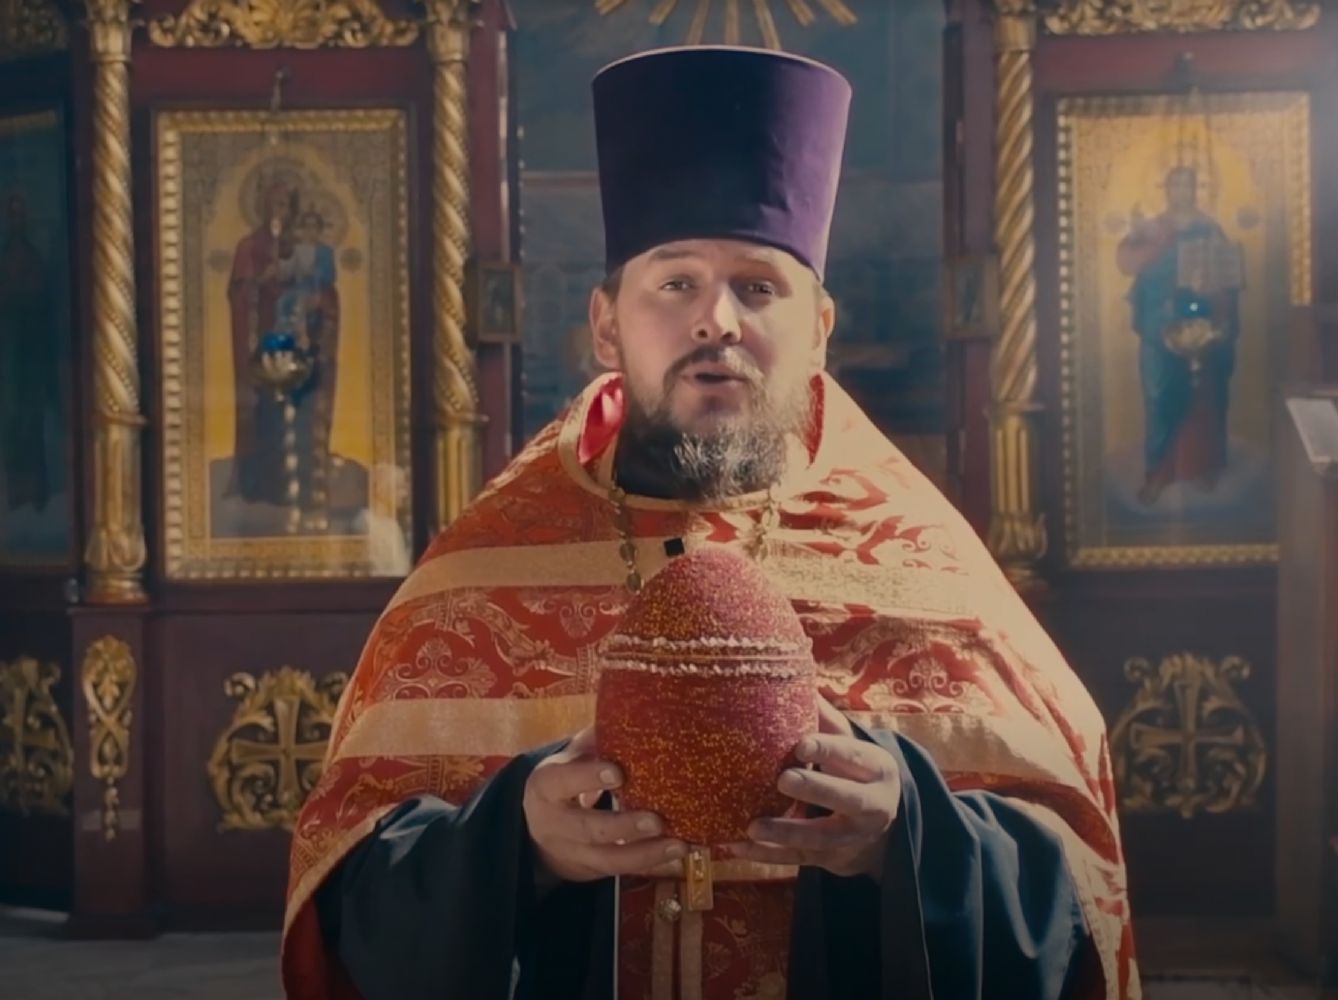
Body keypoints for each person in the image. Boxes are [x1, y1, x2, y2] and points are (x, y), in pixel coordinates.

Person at [283, 47, 1138, 999]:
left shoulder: (929, 573)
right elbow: (349, 885)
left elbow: (1076, 886)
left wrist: (905, 836)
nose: (717, 320)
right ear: (607, 324)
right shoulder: (478, 574)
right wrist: (515, 845)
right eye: (676, 282)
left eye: (759, 286)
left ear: (819, 328)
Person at [1116, 166, 1242, 505]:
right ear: (1167, 189)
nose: (1182, 191)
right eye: (1176, 185)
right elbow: (1128, 265)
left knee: (1204, 394)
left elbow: (1228, 277)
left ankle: (1201, 466)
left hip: (1199, 326)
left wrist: (1214, 294)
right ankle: (1158, 472)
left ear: (1196, 189)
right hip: (1157, 326)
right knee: (1158, 396)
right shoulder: (1153, 228)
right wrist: (1137, 237)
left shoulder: (1209, 228)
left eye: (1188, 185)